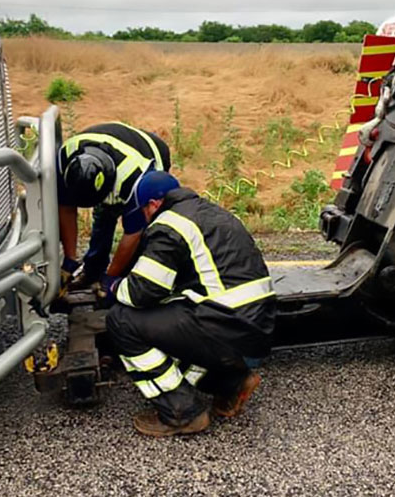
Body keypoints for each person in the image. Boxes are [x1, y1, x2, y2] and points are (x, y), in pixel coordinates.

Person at [106, 171, 275, 437]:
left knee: (122, 320)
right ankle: (231, 383)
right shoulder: (214, 213)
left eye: (143, 213)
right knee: (170, 323)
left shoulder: (169, 224)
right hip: (255, 329)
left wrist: (113, 287)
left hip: (225, 326)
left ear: (152, 204)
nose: (145, 219)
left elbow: (142, 292)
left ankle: (182, 413)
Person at [57, 122, 171, 293]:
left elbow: (133, 234)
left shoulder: (134, 178)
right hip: (112, 145)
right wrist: (69, 260)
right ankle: (93, 272)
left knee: (144, 228)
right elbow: (66, 209)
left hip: (150, 152)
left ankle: (126, 280)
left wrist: (110, 279)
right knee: (103, 217)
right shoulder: (65, 161)